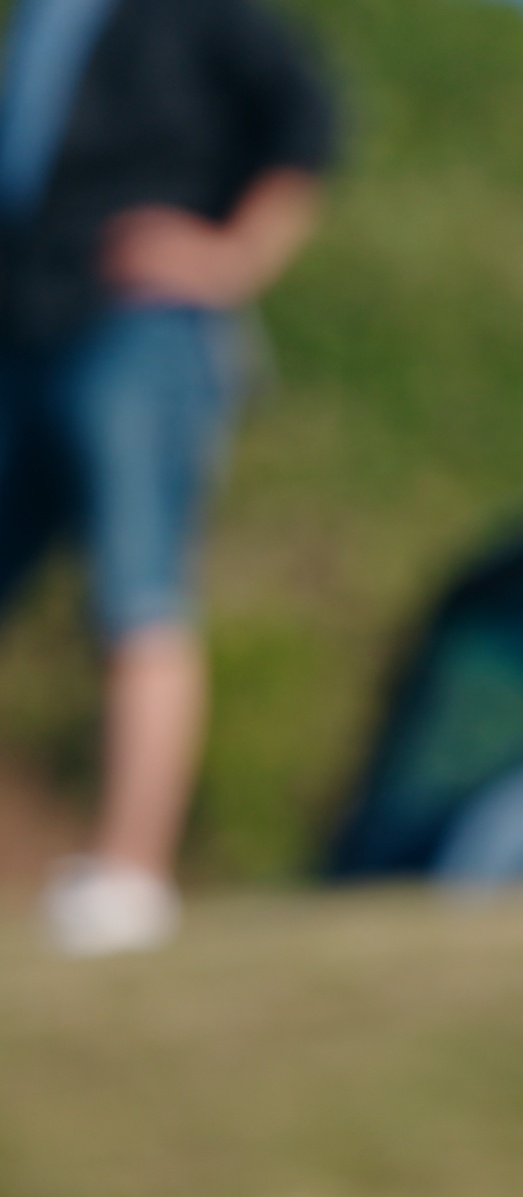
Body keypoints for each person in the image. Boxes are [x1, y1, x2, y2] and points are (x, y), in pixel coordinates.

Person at [0, 0, 332, 956]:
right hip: (25, 333)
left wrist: (236, 256)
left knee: (139, 589)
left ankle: (132, 877)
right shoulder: (39, 19)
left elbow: (309, 118)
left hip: (139, 328)